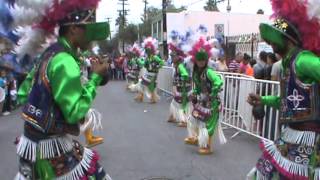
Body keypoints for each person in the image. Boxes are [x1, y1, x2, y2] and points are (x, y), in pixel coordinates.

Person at [12, 0, 111, 179]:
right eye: (88, 29)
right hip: (50, 150)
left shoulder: (50, 53)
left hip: (32, 145)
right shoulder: (64, 61)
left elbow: (23, 94)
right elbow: (74, 112)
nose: (92, 37)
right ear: (73, 28)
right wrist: (95, 78)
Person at [247, 0, 320, 178]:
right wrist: (263, 100)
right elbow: (287, 102)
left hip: (309, 138)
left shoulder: (303, 60)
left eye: (275, 38)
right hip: (289, 135)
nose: (271, 43)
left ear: (288, 39)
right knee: (265, 172)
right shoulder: (287, 65)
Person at [184, 37, 226, 155]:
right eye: (199, 60)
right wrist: (194, 93)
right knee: (195, 119)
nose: (201, 62)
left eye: (203, 60)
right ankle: (197, 138)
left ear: (206, 60)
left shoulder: (208, 71)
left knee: (208, 124)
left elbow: (218, 81)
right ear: (195, 61)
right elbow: (198, 87)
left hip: (211, 103)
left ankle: (208, 146)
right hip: (202, 102)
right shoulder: (197, 73)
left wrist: (214, 91)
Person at [167, 31, 192, 127]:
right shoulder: (179, 64)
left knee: (183, 105)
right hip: (182, 88)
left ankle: (185, 121)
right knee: (175, 103)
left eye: (173, 56)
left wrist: (180, 84)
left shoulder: (182, 65)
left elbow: (186, 75)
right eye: (171, 56)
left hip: (184, 89)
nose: (171, 58)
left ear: (178, 56)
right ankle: (173, 116)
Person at [135, 37, 164, 103]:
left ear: (152, 50)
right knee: (142, 83)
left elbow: (162, 62)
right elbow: (144, 64)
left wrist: (156, 66)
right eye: (147, 50)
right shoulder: (147, 58)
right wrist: (139, 61)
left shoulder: (155, 57)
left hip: (153, 74)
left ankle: (152, 98)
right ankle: (141, 96)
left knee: (151, 87)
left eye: (149, 50)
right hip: (148, 74)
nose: (147, 51)